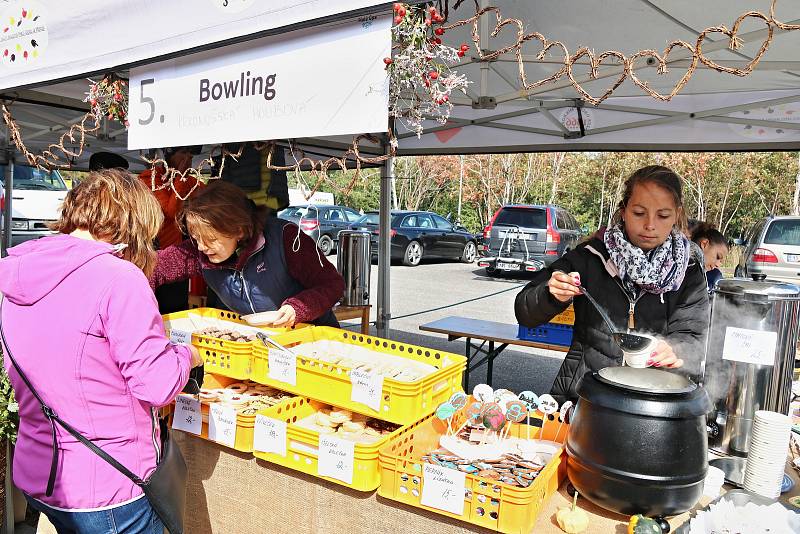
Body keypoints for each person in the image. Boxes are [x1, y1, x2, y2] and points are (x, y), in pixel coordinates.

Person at [0, 169, 202, 532]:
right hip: (110, 485)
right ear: (130, 223)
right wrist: (187, 356)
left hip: (41, 474)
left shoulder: (16, 270)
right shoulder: (118, 278)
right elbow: (157, 385)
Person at [515, 165, 710, 403]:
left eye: (663, 215)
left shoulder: (687, 271)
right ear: (624, 210)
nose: (650, 225)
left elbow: (695, 337)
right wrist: (551, 294)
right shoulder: (590, 256)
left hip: (655, 402)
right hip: (584, 395)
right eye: (639, 213)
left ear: (678, 214)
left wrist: (676, 350)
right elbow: (525, 312)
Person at [152, 180, 345, 327]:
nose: (201, 247)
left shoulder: (285, 238)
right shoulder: (199, 250)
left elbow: (332, 284)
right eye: (196, 238)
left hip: (313, 340)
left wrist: (297, 308)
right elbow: (153, 268)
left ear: (239, 230)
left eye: (211, 240)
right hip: (261, 345)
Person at [139, 146, 203, 314]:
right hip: (153, 257)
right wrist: (180, 179)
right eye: (183, 154)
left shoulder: (187, 180)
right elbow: (171, 211)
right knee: (157, 310)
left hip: (178, 255)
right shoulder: (150, 178)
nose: (187, 160)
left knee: (177, 307)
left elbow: (209, 194)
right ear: (168, 155)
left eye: (190, 156)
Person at [691, 222, 729, 291]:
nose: (718, 265)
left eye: (720, 262)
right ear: (704, 244)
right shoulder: (683, 267)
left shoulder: (713, 275)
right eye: (718, 257)